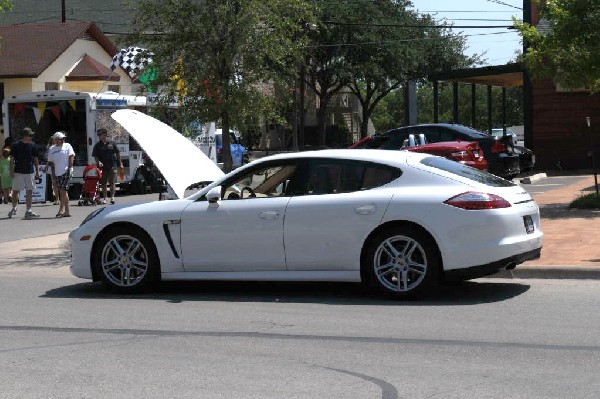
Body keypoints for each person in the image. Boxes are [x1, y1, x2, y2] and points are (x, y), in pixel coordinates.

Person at [8, 127, 40, 219]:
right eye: (30, 135)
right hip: (18, 171)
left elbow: (35, 158)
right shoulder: (15, 145)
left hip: (30, 171)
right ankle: (14, 208)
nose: (31, 137)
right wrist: (12, 171)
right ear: (25, 136)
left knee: (29, 190)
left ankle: (28, 210)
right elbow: (12, 159)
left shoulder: (33, 145)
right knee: (15, 191)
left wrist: (37, 170)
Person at [47, 131, 75, 217]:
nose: (62, 140)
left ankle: (61, 210)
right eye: (59, 139)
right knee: (63, 191)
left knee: (63, 191)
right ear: (55, 140)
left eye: (62, 139)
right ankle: (67, 211)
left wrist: (70, 167)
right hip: (57, 172)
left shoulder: (67, 146)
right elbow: (50, 162)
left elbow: (71, 156)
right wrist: (53, 173)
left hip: (66, 171)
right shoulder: (52, 149)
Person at [92, 128, 123, 204]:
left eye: (101, 134)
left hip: (112, 166)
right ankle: (105, 198)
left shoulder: (112, 143)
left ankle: (112, 197)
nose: (100, 136)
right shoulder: (97, 145)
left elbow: (118, 153)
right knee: (103, 183)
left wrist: (120, 163)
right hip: (102, 167)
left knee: (112, 182)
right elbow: (95, 156)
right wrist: (98, 162)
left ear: (105, 134)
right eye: (99, 135)